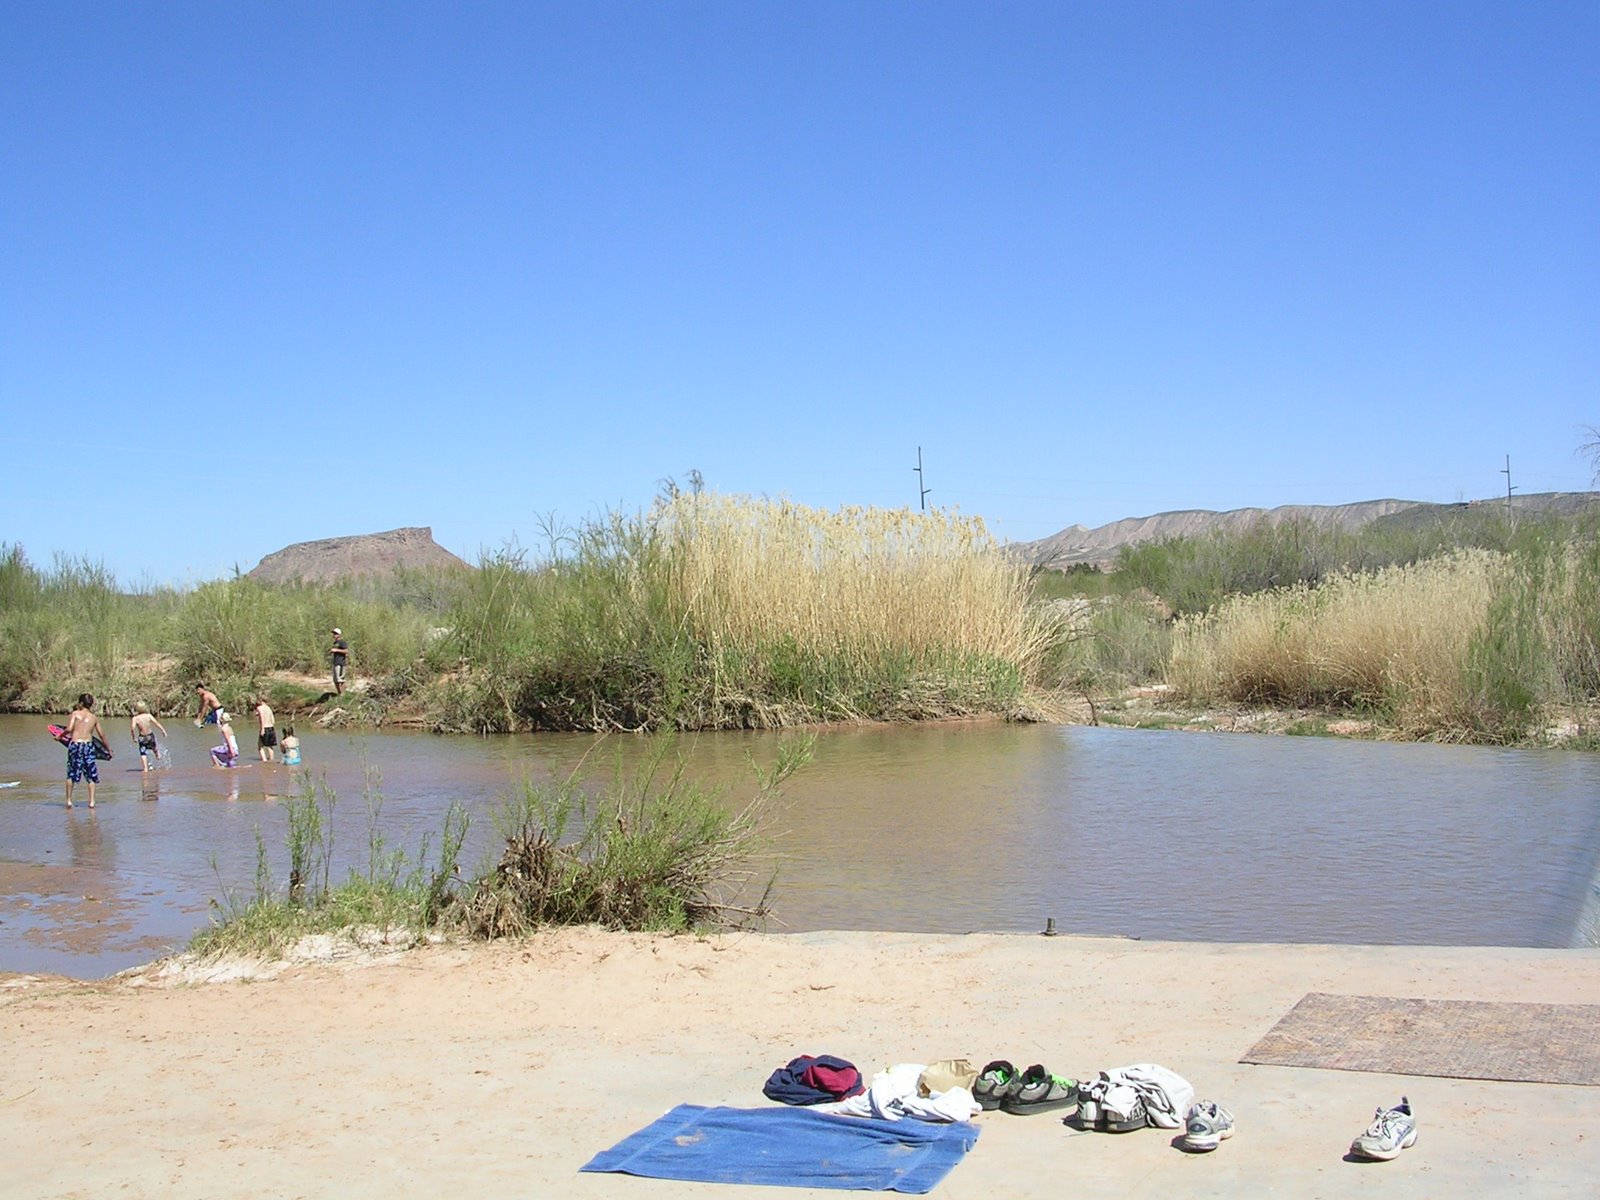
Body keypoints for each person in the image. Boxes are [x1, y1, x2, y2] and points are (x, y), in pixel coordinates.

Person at [63, 693, 109, 809]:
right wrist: (108, 749)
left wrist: (59, 736)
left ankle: (69, 801)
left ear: (81, 703)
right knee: (90, 774)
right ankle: (92, 802)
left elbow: (69, 729)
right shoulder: (94, 718)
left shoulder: (75, 714)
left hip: (75, 745)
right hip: (88, 745)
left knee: (71, 773)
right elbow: (102, 735)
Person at [130, 702, 168, 773]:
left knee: (143, 753)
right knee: (154, 747)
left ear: (137, 709)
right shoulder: (148, 716)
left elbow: (132, 729)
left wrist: (134, 737)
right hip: (150, 736)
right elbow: (156, 723)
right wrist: (163, 731)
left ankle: (145, 769)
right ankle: (157, 754)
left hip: (142, 738)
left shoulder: (135, 718)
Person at [253, 698, 278, 763]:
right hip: (271, 727)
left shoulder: (260, 708)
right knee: (270, 746)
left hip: (265, 727)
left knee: (260, 746)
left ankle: (264, 761)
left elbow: (262, 718)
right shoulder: (268, 708)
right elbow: (273, 720)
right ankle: (272, 760)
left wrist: (262, 729)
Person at [329, 628, 349, 694]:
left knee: (340, 679)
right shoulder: (335, 643)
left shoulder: (342, 642)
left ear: (339, 635)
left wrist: (336, 650)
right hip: (335, 662)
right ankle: (339, 693)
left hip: (340, 663)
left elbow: (346, 651)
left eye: (335, 633)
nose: (334, 635)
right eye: (333, 633)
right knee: (336, 680)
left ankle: (342, 694)